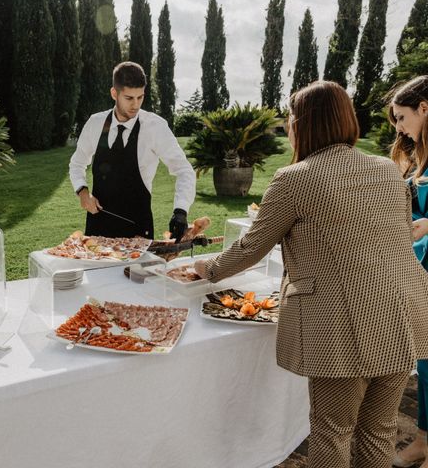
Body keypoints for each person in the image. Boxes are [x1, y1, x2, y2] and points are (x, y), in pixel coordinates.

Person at [194, 81, 428, 468]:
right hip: (404, 316)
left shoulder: (295, 178)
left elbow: (252, 247)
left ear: (303, 124)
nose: (287, 127)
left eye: (290, 119)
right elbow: (400, 236)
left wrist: (209, 268)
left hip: (342, 326)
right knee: (379, 431)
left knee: (332, 431)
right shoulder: (387, 168)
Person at [69, 61, 196, 239]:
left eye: (140, 97)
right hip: (96, 231)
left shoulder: (155, 127)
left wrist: (180, 211)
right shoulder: (95, 123)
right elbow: (77, 163)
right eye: (129, 98)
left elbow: (184, 170)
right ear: (114, 93)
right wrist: (82, 192)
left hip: (138, 233)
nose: (135, 105)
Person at [388, 75, 428, 468]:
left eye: (401, 118)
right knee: (427, 361)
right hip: (420, 266)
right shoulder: (420, 154)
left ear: (424, 109)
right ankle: (422, 441)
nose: (399, 128)